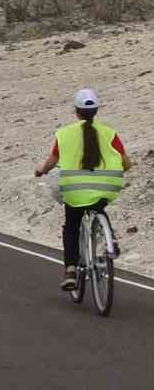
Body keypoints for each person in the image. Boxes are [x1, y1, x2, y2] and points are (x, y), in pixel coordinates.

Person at [34, 88, 134, 291]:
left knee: (71, 225)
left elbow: (52, 161)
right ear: (96, 110)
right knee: (98, 204)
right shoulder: (109, 133)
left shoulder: (65, 134)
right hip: (108, 187)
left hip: (75, 190)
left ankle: (70, 269)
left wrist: (40, 170)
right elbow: (126, 162)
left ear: (76, 111)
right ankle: (110, 239)